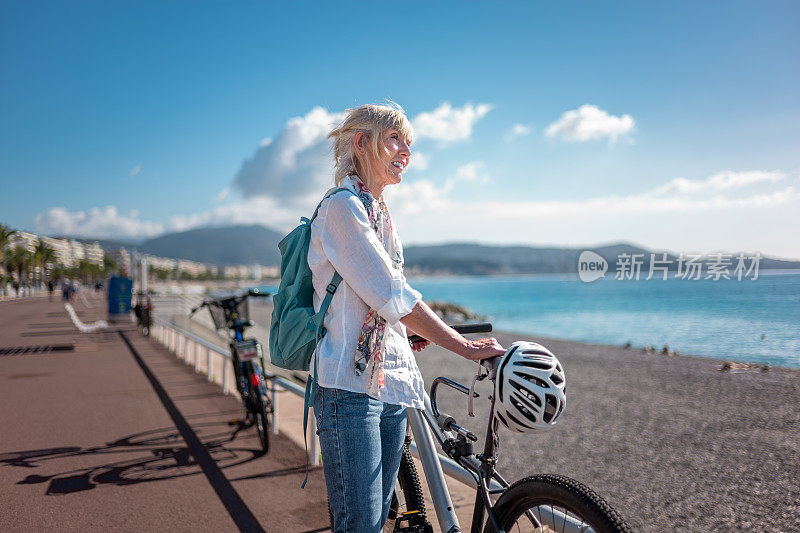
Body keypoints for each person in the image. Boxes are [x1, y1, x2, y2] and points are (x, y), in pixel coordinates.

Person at [309, 103, 505, 532]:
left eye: (409, 143)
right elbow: (392, 293)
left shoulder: (380, 213)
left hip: (390, 384)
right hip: (347, 390)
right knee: (359, 523)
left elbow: (379, 301)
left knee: (377, 520)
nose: (406, 152)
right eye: (394, 138)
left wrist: (405, 332)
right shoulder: (342, 208)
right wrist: (464, 347)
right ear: (361, 143)